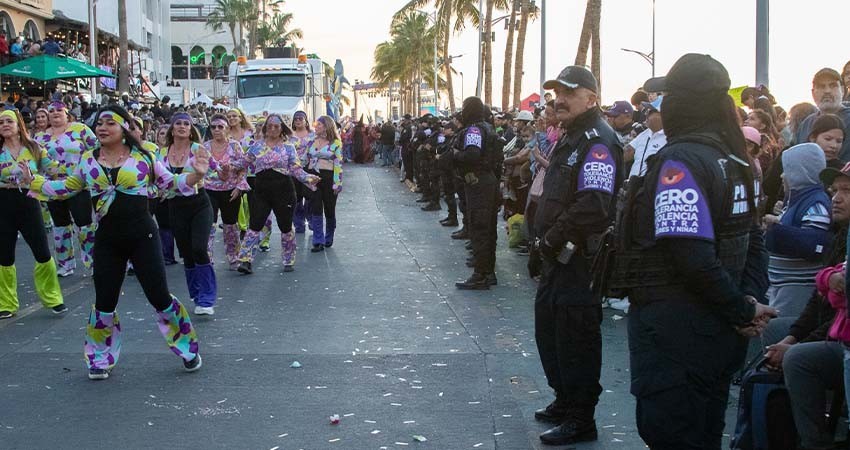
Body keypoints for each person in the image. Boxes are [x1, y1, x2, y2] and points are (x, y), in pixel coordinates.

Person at [610, 53, 776, 449]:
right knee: (704, 431)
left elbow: (689, 254)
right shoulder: (738, 160)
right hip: (718, 330)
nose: (661, 105)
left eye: (668, 95)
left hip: (677, 334)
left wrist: (742, 308)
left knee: (672, 432)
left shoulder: (680, 161)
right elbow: (753, 240)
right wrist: (747, 304)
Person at [21, 104, 206, 380]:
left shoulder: (143, 157)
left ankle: (187, 350)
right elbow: (66, 189)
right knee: (104, 302)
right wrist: (33, 182)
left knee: (160, 298)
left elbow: (171, 183)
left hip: (143, 236)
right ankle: (99, 358)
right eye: (99, 124)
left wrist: (197, 175)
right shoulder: (88, 159)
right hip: (107, 239)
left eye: (109, 123)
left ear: (124, 129)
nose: (102, 128)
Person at [527, 66, 623, 446]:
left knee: (575, 338)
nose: (559, 99)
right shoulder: (572, 136)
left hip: (579, 257)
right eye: (557, 92)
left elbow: (593, 205)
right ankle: (564, 399)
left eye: (569, 92)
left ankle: (582, 417)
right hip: (555, 255)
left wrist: (551, 239)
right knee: (549, 329)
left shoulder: (598, 141)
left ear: (592, 98)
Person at [0, 109, 65, 320]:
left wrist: (77, 166)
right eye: (1, 122)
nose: (4, 125)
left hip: (29, 203)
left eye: (9, 121)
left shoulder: (35, 148)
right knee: (4, 256)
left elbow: (53, 169)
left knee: (42, 252)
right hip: (3, 203)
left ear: (19, 125)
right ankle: (6, 304)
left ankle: (53, 298)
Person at [235, 114, 318, 273]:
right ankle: (245, 260)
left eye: (276, 126)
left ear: (282, 129)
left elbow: (295, 169)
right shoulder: (257, 146)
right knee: (255, 224)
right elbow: (243, 162)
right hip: (261, 190)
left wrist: (308, 178)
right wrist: (225, 166)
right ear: (265, 128)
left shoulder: (288, 147)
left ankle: (288, 259)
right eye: (270, 126)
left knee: (285, 226)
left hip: (284, 191)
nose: (272, 129)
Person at [161, 112, 217, 315]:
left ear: (191, 128)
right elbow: (155, 178)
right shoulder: (162, 153)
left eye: (186, 123)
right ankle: (196, 294)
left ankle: (207, 298)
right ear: (172, 128)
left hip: (199, 203)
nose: (182, 126)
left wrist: (220, 171)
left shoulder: (198, 150)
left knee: (199, 248)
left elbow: (215, 169)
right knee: (186, 253)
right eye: (179, 123)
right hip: (175, 205)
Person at [34, 101, 97, 277]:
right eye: (51, 111)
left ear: (66, 112)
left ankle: (93, 262)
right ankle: (65, 264)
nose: (55, 113)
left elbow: (97, 149)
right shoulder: (40, 137)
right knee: (60, 226)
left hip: (79, 184)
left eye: (59, 110)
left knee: (84, 225)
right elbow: (33, 161)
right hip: (53, 187)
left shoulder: (80, 129)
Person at [453, 97, 500, 290]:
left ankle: (480, 274)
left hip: (479, 183)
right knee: (488, 229)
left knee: (480, 229)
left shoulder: (474, 130)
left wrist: (456, 155)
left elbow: (472, 154)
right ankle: (487, 272)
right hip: (488, 182)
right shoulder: (487, 128)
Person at [203, 114, 248, 272]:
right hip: (209, 189)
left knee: (230, 225)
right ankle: (207, 258)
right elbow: (200, 167)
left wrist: (239, 187)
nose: (216, 130)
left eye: (220, 127)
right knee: (209, 224)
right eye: (213, 127)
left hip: (230, 190)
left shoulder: (235, 146)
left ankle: (234, 257)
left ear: (227, 129)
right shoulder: (205, 146)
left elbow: (244, 167)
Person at [304, 116, 343, 252]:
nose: (316, 126)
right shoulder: (311, 141)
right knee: (315, 207)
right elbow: (305, 159)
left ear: (326, 126)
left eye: (319, 124)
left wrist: (337, 183)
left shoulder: (335, 143)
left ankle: (329, 236)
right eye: (316, 124)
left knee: (329, 208)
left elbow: (338, 164)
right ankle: (317, 240)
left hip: (329, 178)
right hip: (314, 177)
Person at [796, 68, 850, 162]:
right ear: (813, 93)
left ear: (842, 90)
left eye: (833, 85)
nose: (827, 91)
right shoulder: (806, 124)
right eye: (821, 86)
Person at [625, 96, 666, 179]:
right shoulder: (644, 134)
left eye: (651, 111)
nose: (646, 113)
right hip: (632, 188)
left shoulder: (670, 138)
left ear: (663, 115)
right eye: (646, 110)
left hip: (652, 189)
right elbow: (626, 153)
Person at [290, 111, 314, 234]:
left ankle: (310, 220)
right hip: (293, 170)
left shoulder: (313, 135)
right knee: (296, 198)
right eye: (295, 119)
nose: (298, 121)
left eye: (300, 118)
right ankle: (299, 223)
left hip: (309, 169)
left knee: (310, 197)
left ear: (306, 120)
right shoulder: (289, 136)